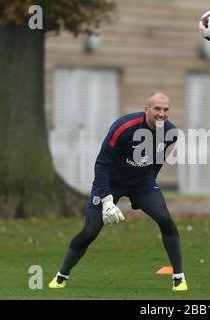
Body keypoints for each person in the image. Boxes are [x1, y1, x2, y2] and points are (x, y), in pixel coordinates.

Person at [49, 92, 187, 291]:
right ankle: (62, 276)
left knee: (164, 218)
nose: (162, 114)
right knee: (90, 231)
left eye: (166, 110)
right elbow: (102, 164)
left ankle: (179, 278)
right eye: (157, 109)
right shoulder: (123, 127)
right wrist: (106, 199)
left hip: (141, 183)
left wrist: (148, 186)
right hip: (110, 182)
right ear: (147, 109)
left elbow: (157, 161)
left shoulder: (171, 132)